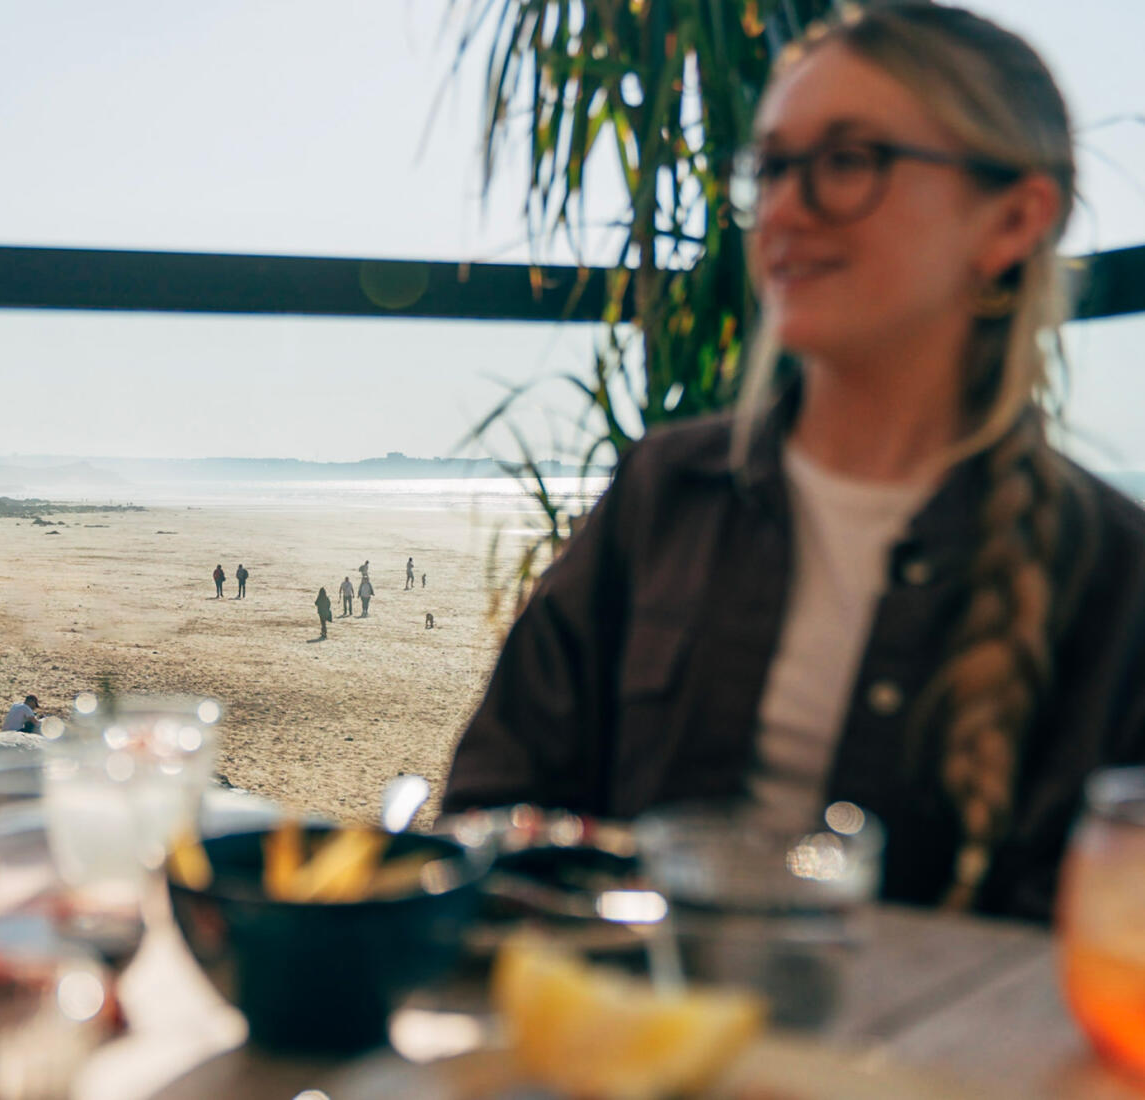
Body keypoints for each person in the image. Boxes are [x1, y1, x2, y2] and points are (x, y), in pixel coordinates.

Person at [443, 2, 1145, 923]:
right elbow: (491, 808)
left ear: (1013, 220)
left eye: (849, 161)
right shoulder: (665, 490)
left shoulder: (1112, 571)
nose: (783, 209)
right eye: (770, 167)